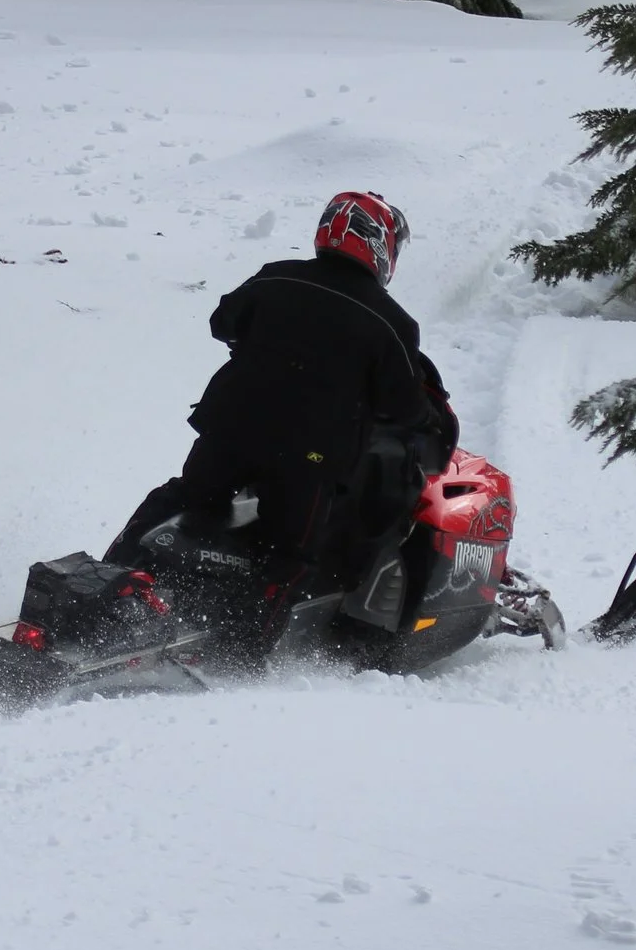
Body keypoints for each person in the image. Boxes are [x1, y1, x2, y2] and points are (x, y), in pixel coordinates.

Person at [109, 191, 458, 658]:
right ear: (380, 246)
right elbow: (405, 406)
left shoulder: (276, 275)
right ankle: (241, 654)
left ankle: (110, 581)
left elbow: (223, 322)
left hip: (229, 428)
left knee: (182, 498)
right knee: (291, 552)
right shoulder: (391, 320)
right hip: (309, 455)